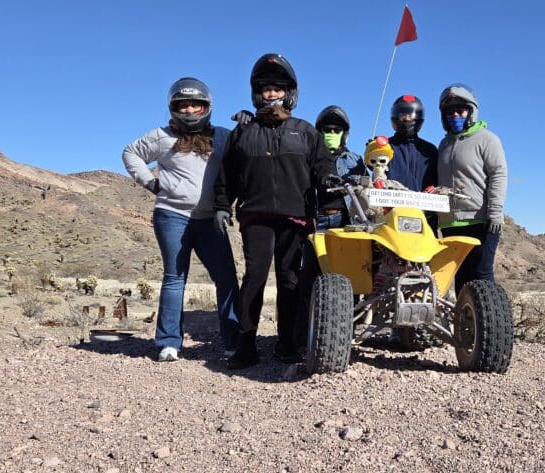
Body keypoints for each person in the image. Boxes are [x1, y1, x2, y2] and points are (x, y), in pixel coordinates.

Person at [212, 53, 334, 370]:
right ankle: (245, 344)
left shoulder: (305, 132)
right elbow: (227, 175)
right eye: (265, 88)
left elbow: (324, 171)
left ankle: (288, 344)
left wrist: (333, 198)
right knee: (254, 278)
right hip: (256, 216)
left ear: (289, 93)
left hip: (296, 217)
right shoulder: (243, 132)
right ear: (257, 93)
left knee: (290, 280)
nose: (271, 94)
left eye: (278, 88)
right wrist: (223, 205)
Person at [122, 77, 239, 362]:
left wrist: (247, 126)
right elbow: (131, 153)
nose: (189, 110)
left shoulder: (222, 136)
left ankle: (234, 341)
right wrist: (151, 183)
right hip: (172, 215)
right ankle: (168, 342)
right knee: (175, 278)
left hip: (211, 218)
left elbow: (243, 154)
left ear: (206, 107)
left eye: (195, 105)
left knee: (226, 278)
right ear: (174, 107)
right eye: (183, 105)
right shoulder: (163, 136)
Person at [435, 83, 508, 296]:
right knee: (460, 277)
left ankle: (490, 327)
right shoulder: (444, 144)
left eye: (460, 110)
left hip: (480, 220)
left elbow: (498, 175)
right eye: (450, 112)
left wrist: (494, 214)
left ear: (471, 111)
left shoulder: (487, 139)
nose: (455, 115)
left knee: (482, 275)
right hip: (450, 223)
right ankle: (464, 326)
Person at [314, 105, 367, 229]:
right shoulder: (309, 158)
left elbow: (367, 189)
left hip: (345, 218)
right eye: (327, 130)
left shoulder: (355, 160)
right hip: (316, 218)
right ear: (320, 133)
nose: (332, 133)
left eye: (336, 130)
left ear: (344, 134)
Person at [386, 95, 438, 192]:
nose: (406, 119)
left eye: (410, 115)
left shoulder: (429, 150)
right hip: (390, 205)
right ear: (395, 117)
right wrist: (373, 149)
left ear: (418, 117)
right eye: (402, 115)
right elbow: (374, 166)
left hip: (423, 205)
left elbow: (438, 180)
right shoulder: (385, 146)